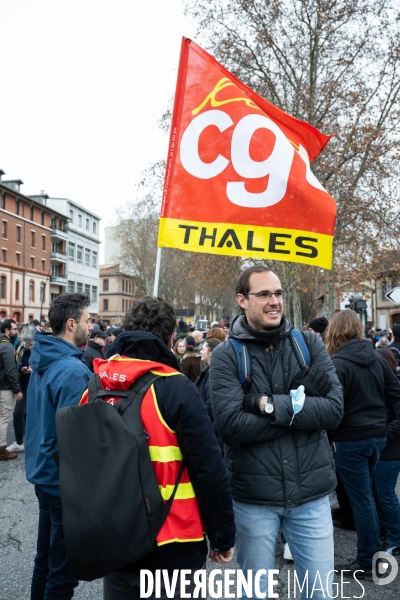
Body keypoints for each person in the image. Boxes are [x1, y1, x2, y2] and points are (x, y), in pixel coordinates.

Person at [81, 296, 235, 599]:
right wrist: (222, 536)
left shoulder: (96, 383)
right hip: (172, 543)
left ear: (125, 330)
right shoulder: (175, 387)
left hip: (114, 538)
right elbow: (208, 469)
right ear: (171, 334)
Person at [209, 265, 343, 599]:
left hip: (311, 497)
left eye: (279, 293)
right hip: (253, 499)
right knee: (254, 594)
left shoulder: (309, 344)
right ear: (242, 300)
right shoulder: (226, 355)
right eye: (265, 294)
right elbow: (230, 425)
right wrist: (298, 410)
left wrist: (268, 406)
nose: (274, 301)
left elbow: (334, 410)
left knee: (319, 594)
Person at [25, 293, 93, 600]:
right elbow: (77, 437)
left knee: (45, 561)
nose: (90, 327)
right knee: (62, 573)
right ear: (71, 324)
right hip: (62, 482)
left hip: (43, 473)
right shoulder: (74, 371)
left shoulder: (45, 356)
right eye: (87, 320)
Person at [326, 310, 400, 579]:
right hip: (375, 438)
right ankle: (374, 552)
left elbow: (333, 408)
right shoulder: (376, 359)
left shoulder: (338, 364)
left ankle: (368, 560)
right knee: (367, 495)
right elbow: (394, 394)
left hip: (351, 439)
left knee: (362, 499)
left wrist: (333, 435)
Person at [373, 347, 400, 555]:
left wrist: (384, 434)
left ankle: (395, 537)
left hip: (391, 450)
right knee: (378, 493)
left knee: (386, 494)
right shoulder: (380, 384)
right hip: (382, 447)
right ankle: (385, 532)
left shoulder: (394, 386)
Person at [6, 328, 34, 453]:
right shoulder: (20, 348)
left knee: (31, 415)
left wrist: (34, 370)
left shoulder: (40, 349)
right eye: (28, 343)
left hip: (35, 386)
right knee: (18, 414)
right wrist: (22, 370)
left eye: (32, 343)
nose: (30, 346)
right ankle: (19, 442)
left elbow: (45, 366)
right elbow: (16, 365)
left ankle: (31, 442)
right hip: (23, 385)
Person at [0, 318, 23, 460]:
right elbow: (10, 370)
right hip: (5, 388)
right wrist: (17, 390)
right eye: (14, 329)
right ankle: (1, 449)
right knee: (3, 419)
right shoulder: (7, 346)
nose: (16, 331)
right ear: (7, 330)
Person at [195, 337, 221, 421]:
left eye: (203, 349)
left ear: (211, 352)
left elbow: (210, 401)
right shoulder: (212, 370)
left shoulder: (214, 372)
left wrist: (203, 421)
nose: (200, 352)